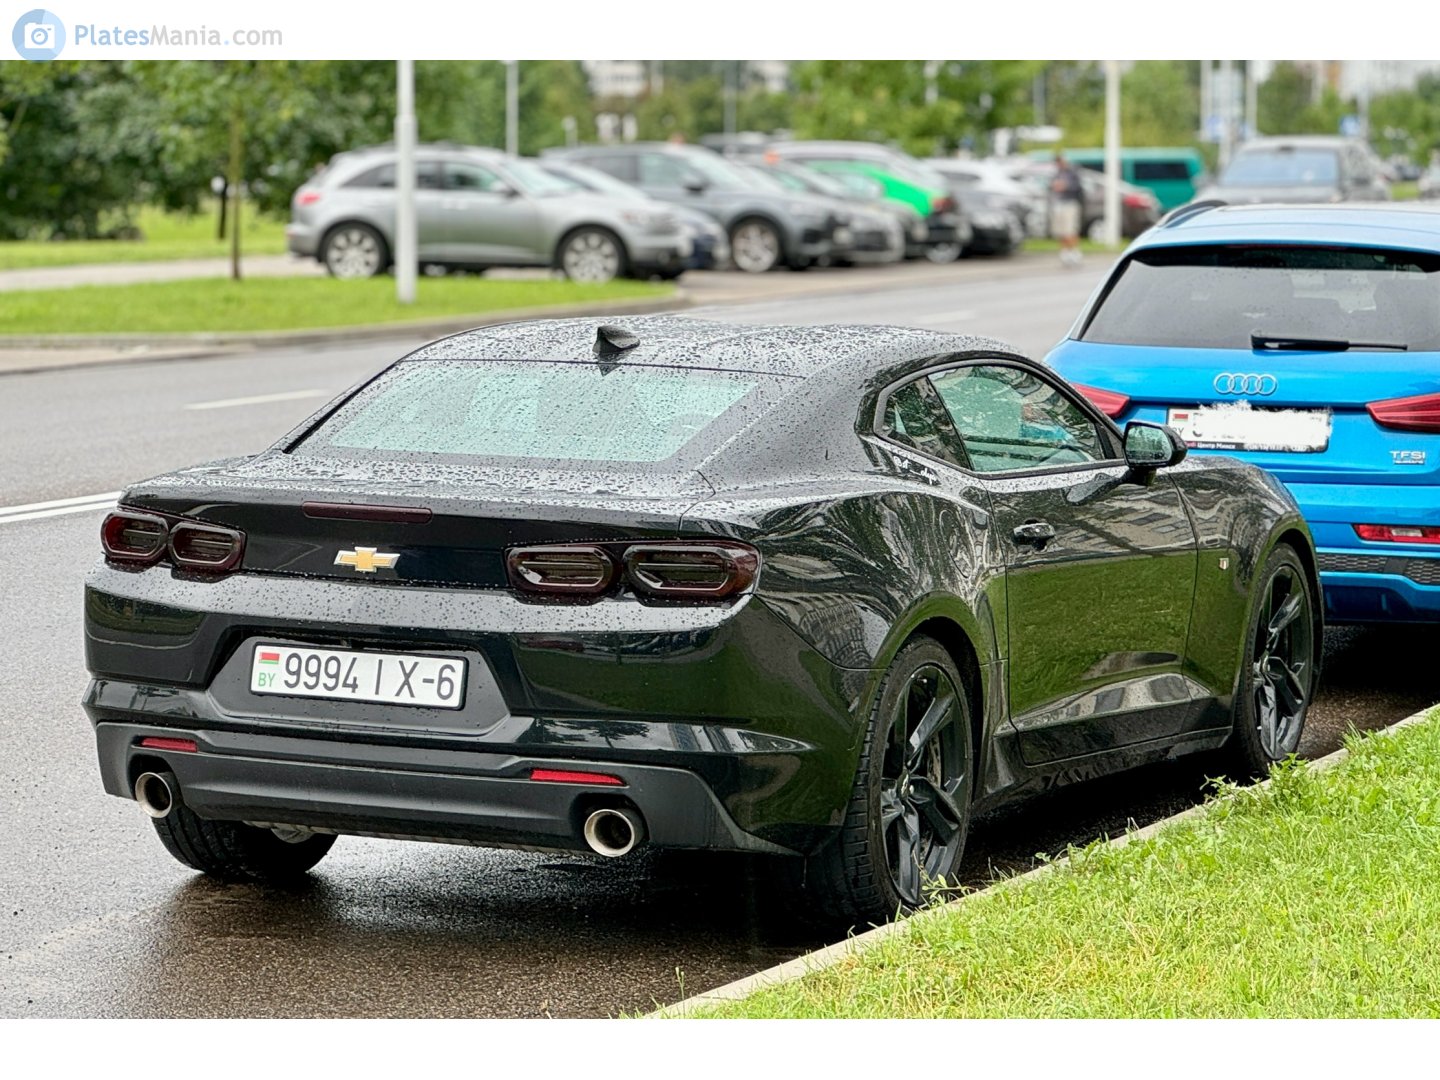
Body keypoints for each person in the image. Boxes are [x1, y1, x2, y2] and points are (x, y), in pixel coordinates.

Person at [1050, 151, 1085, 267]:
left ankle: (1074, 251)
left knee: (1070, 229)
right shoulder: (1057, 174)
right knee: (1061, 230)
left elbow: (1078, 188)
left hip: (1070, 203)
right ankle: (1065, 252)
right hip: (1059, 204)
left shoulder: (1072, 173)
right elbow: (1050, 186)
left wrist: (1066, 187)